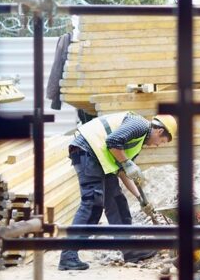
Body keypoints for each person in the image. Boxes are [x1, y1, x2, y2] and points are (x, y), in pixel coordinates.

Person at [58, 111, 177, 271]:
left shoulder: (137, 143)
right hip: (87, 151)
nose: (157, 145)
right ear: (159, 131)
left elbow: (123, 172)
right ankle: (68, 255)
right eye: (161, 141)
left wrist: (141, 199)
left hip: (99, 160)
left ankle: (130, 251)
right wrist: (127, 163)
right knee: (93, 203)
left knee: (117, 202)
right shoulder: (140, 125)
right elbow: (113, 141)